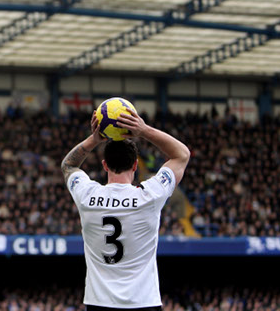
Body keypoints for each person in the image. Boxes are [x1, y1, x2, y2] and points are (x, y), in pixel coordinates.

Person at [61, 109, 190, 311]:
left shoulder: (87, 196)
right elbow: (182, 155)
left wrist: (95, 139)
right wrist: (143, 130)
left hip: (99, 303)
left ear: (104, 165)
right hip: (144, 302)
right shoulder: (150, 195)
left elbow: (68, 165)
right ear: (135, 165)